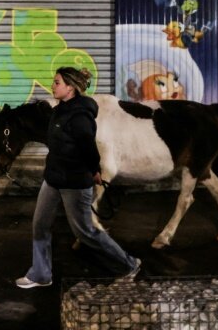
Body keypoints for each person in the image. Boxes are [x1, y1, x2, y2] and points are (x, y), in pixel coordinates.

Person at [15, 67, 141, 288]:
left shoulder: (80, 115)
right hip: (53, 179)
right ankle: (40, 274)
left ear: (70, 87)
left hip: (74, 182)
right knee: (40, 225)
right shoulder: (60, 109)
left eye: (56, 82)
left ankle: (129, 264)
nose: (52, 86)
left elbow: (89, 149)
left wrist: (95, 171)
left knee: (86, 232)